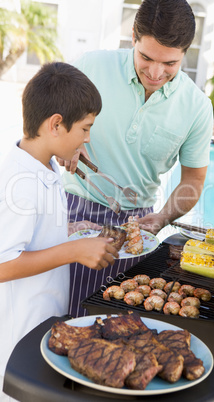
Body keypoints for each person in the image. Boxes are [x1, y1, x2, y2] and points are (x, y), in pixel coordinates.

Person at [58, 0, 214, 318]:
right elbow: (46, 121)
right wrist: (65, 141)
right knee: (55, 316)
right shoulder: (90, 65)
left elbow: (193, 181)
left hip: (138, 229)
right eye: (146, 57)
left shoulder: (197, 107)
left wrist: (162, 218)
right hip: (70, 211)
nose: (155, 73)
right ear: (133, 36)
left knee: (113, 326)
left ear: (186, 51)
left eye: (169, 63)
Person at [0, 62, 118, 402]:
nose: (88, 138)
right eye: (85, 128)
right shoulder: (18, 183)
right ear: (56, 124)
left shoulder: (46, 165)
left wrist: (71, 231)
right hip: (17, 338)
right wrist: (73, 252)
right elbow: (4, 263)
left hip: (42, 324)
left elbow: (33, 232)